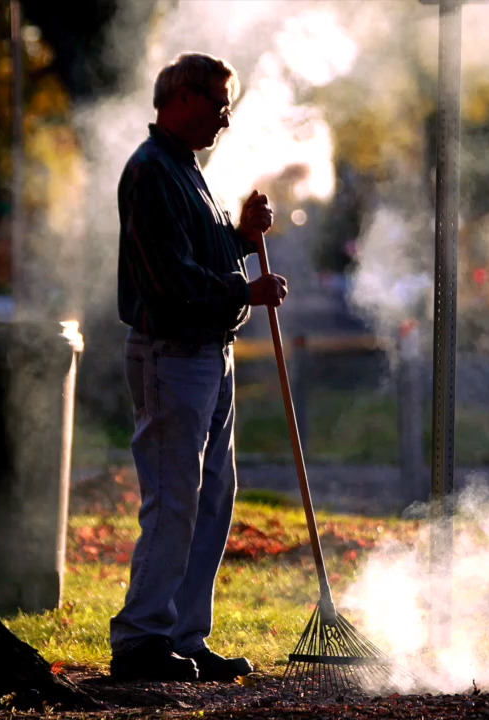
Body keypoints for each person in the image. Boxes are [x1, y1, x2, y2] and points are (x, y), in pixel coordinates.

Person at [109, 52, 288, 683]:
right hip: (171, 356)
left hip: (208, 356)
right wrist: (246, 292)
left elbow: (203, 255)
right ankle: (140, 640)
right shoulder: (151, 172)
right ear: (179, 99)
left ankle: (184, 636)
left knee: (212, 498)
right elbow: (170, 281)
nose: (225, 119)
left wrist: (240, 237)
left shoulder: (184, 169)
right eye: (218, 104)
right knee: (176, 499)